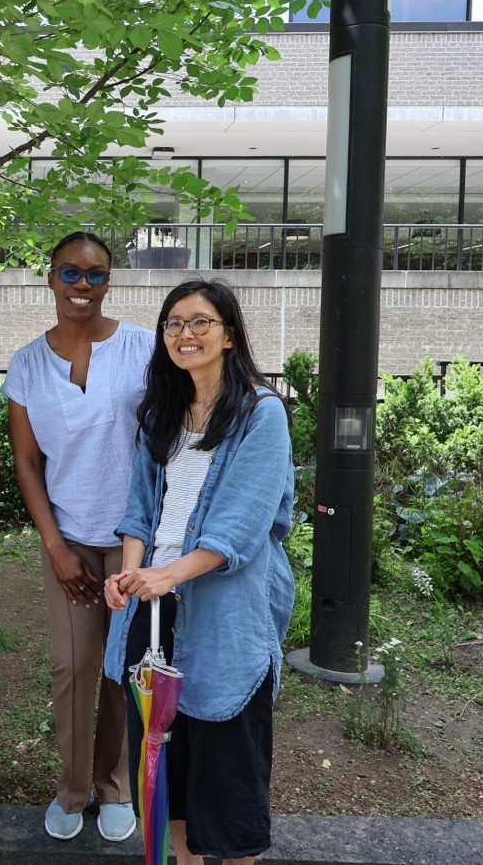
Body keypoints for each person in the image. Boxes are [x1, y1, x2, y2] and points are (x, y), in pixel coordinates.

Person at [102, 279, 295, 865]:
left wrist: (167, 576)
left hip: (224, 620)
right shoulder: (162, 413)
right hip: (153, 615)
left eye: (200, 322)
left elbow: (239, 529)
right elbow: (139, 511)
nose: (185, 334)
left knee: (229, 790)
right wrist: (129, 578)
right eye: (173, 325)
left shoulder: (262, 415)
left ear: (230, 334)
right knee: (167, 782)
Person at [4, 231, 152, 842]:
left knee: (121, 667)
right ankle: (71, 786)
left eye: (94, 274)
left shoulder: (144, 348)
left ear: (109, 281)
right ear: (51, 279)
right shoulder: (27, 364)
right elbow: (26, 463)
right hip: (67, 539)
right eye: (70, 273)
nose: (82, 284)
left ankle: (115, 785)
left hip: (132, 539)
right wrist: (56, 548)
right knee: (73, 668)